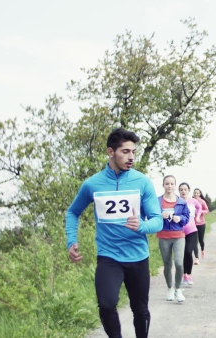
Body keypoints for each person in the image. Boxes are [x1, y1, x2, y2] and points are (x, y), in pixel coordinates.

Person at [65, 128, 163, 338]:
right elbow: (73, 212)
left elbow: (158, 220)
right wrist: (71, 241)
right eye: (125, 152)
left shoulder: (142, 182)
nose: (131, 157)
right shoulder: (92, 184)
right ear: (111, 152)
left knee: (140, 310)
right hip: (109, 256)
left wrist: (142, 226)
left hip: (138, 255)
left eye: (134, 152)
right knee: (107, 304)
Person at [157, 175, 191, 302]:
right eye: (167, 184)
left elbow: (187, 217)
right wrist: (160, 215)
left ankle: (177, 289)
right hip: (163, 236)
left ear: (175, 186)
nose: (169, 186)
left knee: (179, 263)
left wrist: (180, 218)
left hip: (178, 236)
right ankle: (170, 289)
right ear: (163, 185)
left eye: (172, 184)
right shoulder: (157, 201)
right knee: (167, 265)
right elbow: (152, 215)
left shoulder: (181, 202)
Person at [179, 182, 202, 285]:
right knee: (183, 253)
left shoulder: (193, 201)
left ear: (188, 191)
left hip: (192, 230)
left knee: (189, 251)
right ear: (179, 191)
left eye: (185, 189)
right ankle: (184, 275)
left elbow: (200, 208)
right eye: (181, 189)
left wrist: (197, 216)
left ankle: (189, 274)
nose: (183, 191)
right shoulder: (176, 201)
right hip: (179, 231)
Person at [193, 188, 211, 260]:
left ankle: (202, 250)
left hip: (201, 223)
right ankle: (196, 257)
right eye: (195, 193)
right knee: (194, 240)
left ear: (200, 194)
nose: (196, 194)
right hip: (193, 224)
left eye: (197, 193)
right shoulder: (192, 201)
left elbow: (207, 211)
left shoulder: (202, 201)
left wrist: (199, 212)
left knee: (201, 239)